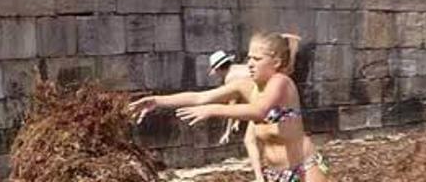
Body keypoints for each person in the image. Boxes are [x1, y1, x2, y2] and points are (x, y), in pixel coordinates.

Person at [131, 33, 330, 182]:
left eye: (257, 59)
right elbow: (200, 97)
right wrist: (157, 101)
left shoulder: (281, 82)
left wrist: (213, 110)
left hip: (305, 169)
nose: (250, 64)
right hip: (275, 174)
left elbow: (259, 111)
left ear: (276, 62)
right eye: (249, 58)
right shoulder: (245, 86)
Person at [207, 50, 264, 181]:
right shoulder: (240, 68)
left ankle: (260, 178)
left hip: (262, 104)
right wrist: (238, 121)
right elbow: (245, 94)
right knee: (260, 139)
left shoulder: (230, 78)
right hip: (268, 99)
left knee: (249, 141)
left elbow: (232, 107)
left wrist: (227, 132)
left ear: (218, 69)